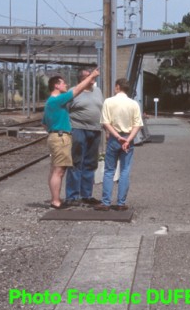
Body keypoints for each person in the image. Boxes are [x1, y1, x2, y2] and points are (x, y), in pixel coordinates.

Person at [42, 68, 101, 209]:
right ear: (56, 85)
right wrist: (92, 75)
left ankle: (59, 199)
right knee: (60, 170)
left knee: (57, 169)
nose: (66, 85)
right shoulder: (58, 99)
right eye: (63, 83)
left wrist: (53, 130)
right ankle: (59, 200)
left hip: (62, 134)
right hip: (63, 135)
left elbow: (44, 122)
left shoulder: (53, 101)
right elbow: (77, 90)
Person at [96, 78, 143, 211]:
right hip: (128, 139)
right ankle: (121, 203)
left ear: (117, 87)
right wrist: (127, 140)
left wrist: (117, 136)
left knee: (109, 171)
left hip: (114, 139)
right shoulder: (133, 104)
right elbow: (137, 124)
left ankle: (106, 203)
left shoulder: (109, 102)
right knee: (125, 171)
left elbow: (105, 122)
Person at [66, 68, 104, 206]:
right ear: (82, 79)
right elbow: (65, 110)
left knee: (90, 163)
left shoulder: (97, 91)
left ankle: (86, 195)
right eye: (89, 76)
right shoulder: (73, 91)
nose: (93, 78)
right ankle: (72, 196)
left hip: (95, 130)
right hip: (78, 129)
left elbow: (102, 109)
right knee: (76, 162)